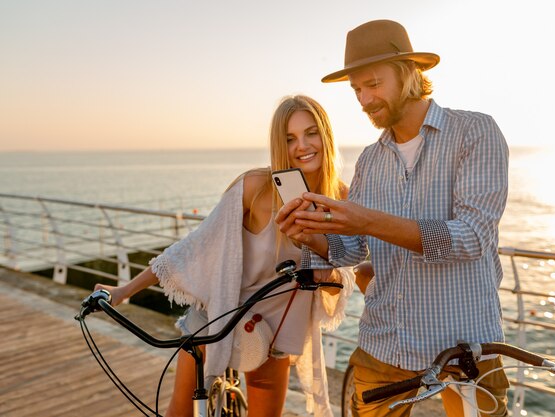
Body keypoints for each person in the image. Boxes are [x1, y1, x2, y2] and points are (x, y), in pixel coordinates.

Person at [276, 20, 510, 417]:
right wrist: (311, 235)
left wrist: (367, 220)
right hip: (385, 340)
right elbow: (353, 249)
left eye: (373, 84)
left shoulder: (475, 132)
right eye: (356, 90)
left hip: (465, 344)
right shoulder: (370, 159)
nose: (364, 100)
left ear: (408, 73)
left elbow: (472, 238)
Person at [95, 95, 354, 417]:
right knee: (182, 412)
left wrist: (321, 260)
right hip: (220, 314)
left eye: (311, 133)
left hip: (277, 327)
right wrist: (123, 291)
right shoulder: (254, 187)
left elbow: (336, 283)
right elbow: (195, 245)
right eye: (290, 138)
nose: (302, 145)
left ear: (326, 135)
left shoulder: (343, 199)